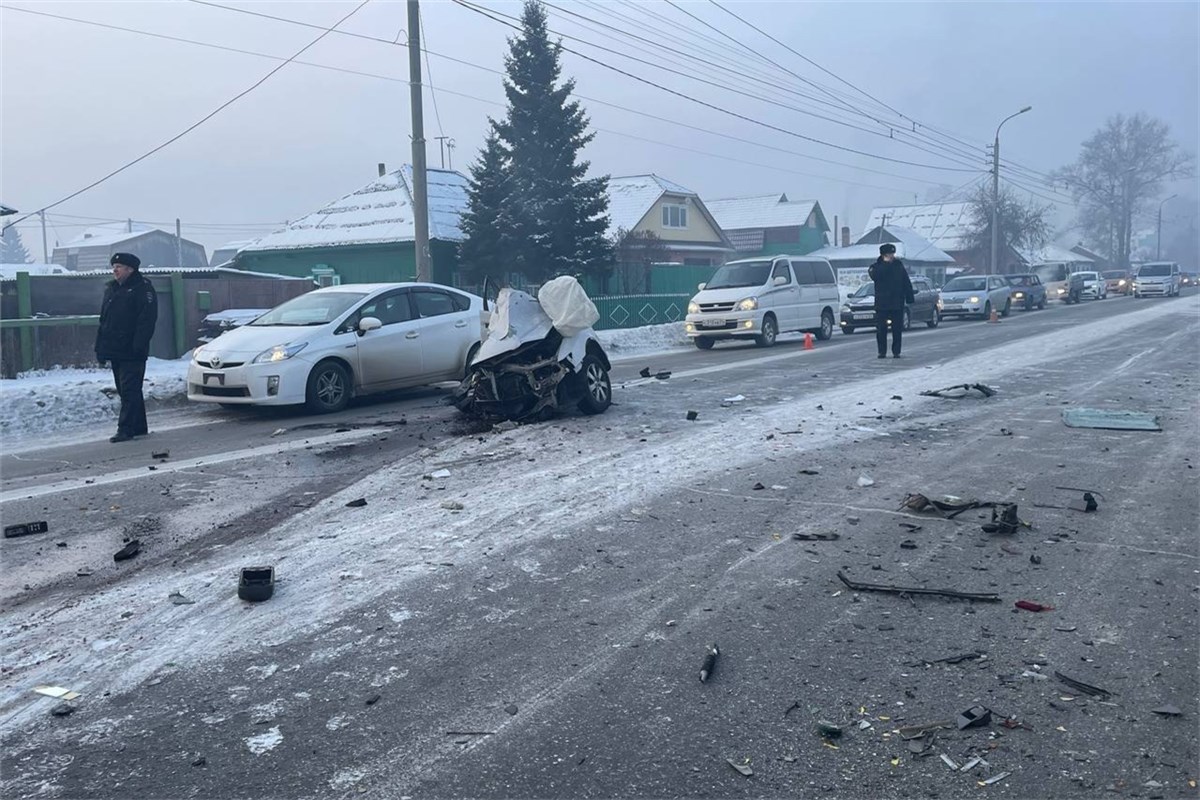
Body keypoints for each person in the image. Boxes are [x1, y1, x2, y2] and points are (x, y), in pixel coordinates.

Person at [95, 252, 158, 442]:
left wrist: (139, 346)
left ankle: (125, 429)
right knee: (125, 390)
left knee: (130, 390)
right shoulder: (112, 289)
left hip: (132, 350)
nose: (115, 270)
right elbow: (104, 321)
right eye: (114, 266)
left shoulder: (142, 289)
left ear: (130, 269)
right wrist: (100, 348)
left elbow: (147, 320)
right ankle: (139, 427)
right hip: (115, 349)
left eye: (119, 266)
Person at [868, 243, 915, 359]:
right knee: (881, 330)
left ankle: (896, 351)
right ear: (883, 255)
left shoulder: (898, 265)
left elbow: (906, 281)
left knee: (897, 329)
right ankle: (882, 351)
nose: (891, 256)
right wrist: (885, 264)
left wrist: (910, 296)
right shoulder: (876, 267)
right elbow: (876, 276)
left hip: (897, 302)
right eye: (889, 254)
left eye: (892, 254)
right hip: (882, 303)